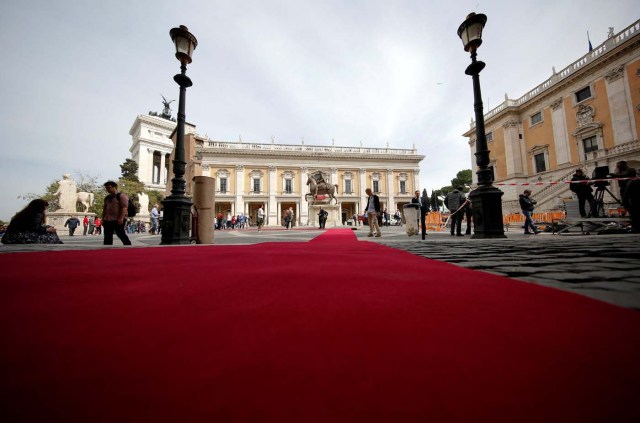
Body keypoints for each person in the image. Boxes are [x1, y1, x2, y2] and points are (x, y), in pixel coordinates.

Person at [101, 181, 131, 246]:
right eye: (106, 188)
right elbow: (105, 209)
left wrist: (121, 218)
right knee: (107, 235)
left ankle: (128, 246)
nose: (107, 190)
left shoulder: (121, 196)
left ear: (114, 187)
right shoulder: (107, 198)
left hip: (117, 219)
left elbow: (124, 207)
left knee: (120, 234)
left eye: (109, 188)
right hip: (108, 219)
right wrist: (103, 219)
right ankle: (107, 249)